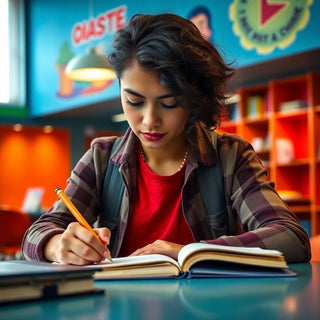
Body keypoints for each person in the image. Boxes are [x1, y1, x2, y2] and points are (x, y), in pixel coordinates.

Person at [22, 13, 310, 265]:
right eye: (133, 101)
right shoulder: (101, 159)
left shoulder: (231, 157)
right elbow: (37, 233)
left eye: (169, 103)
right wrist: (56, 245)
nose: (149, 121)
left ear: (195, 98)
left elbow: (291, 237)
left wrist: (192, 253)